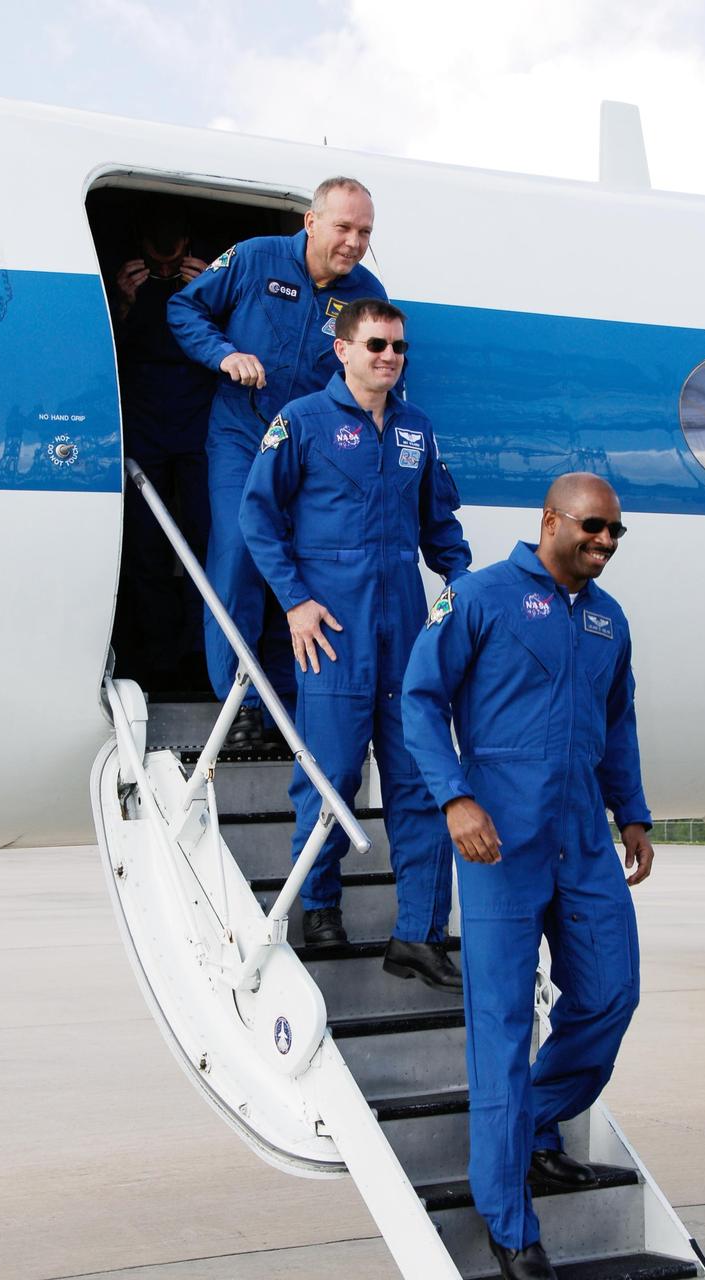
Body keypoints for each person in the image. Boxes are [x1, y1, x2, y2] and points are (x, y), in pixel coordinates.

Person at [401, 473, 654, 1280]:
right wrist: (454, 798)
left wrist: (632, 812)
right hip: (497, 838)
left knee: (609, 995)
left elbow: (617, 722)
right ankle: (508, 1223)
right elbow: (419, 701)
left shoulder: (608, 620)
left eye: (614, 532)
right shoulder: (478, 597)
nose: (604, 542)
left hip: (580, 834)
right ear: (549, 520)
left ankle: (529, 1127)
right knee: (504, 1026)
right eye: (592, 527)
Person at [239, 298, 472, 984]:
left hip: (405, 632)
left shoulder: (416, 429)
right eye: (376, 345)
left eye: (398, 347)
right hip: (333, 633)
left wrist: (461, 590)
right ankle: (319, 907)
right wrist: (294, 602)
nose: (389, 357)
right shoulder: (302, 421)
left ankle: (419, 934)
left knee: (420, 782)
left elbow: (440, 525)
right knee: (331, 777)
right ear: (342, 349)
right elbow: (258, 518)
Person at [168, 177, 389, 744]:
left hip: (310, 449)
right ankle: (238, 702)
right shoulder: (253, 258)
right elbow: (184, 309)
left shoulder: (366, 294)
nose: (354, 242)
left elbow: (377, 377)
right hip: (242, 435)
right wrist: (224, 355)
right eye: (343, 227)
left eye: (365, 232)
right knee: (239, 551)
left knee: (301, 563)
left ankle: (286, 697)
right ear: (311, 222)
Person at [111, 200, 214, 691]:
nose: (166, 268)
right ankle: (156, 656)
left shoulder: (209, 284)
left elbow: (228, 349)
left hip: (198, 421)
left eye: (174, 258)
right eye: (158, 259)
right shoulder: (125, 285)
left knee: (204, 537)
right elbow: (106, 351)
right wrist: (124, 304)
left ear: (189, 247)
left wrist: (208, 298)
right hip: (143, 419)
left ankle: (199, 650)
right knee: (145, 542)